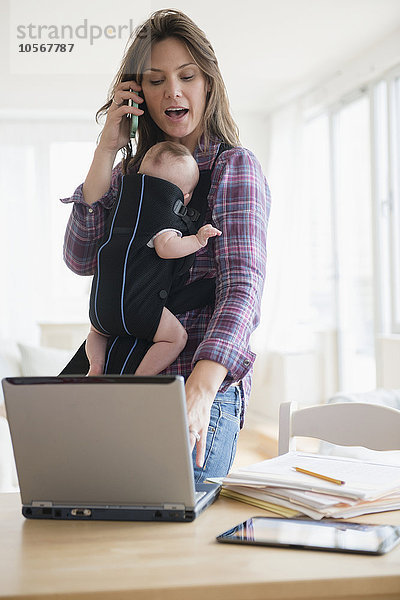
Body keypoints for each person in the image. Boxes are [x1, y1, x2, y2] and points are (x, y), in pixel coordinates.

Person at [61, 9, 271, 482]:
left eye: (187, 76)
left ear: (208, 85)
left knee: (166, 526)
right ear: (138, 94)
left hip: (196, 379)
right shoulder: (126, 177)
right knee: (79, 508)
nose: (173, 91)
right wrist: (105, 150)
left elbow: (243, 287)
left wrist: (201, 387)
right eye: (155, 81)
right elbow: (79, 257)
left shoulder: (234, 168)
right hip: (120, 375)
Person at [86, 140, 222, 376]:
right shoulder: (162, 218)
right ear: (185, 197)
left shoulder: (122, 209)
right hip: (139, 308)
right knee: (176, 339)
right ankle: (141, 379)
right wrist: (198, 240)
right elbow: (166, 248)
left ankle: (96, 367)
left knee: (97, 332)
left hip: (101, 308)